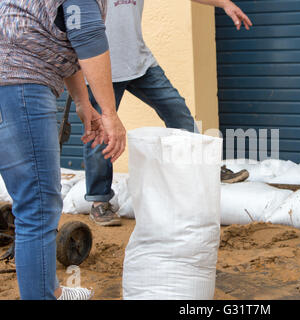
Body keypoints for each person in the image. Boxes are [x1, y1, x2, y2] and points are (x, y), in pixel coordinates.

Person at [83, 0, 253, 227]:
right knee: (100, 134)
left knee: (178, 112)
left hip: (140, 63)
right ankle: (99, 201)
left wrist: (224, 4)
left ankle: (207, 168)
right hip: (101, 69)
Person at [0, 0, 127, 300]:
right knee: (37, 205)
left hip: (12, 76)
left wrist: (84, 105)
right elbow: (88, 40)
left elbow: (68, 41)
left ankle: (50, 290)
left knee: (31, 201)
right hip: (18, 80)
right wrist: (109, 113)